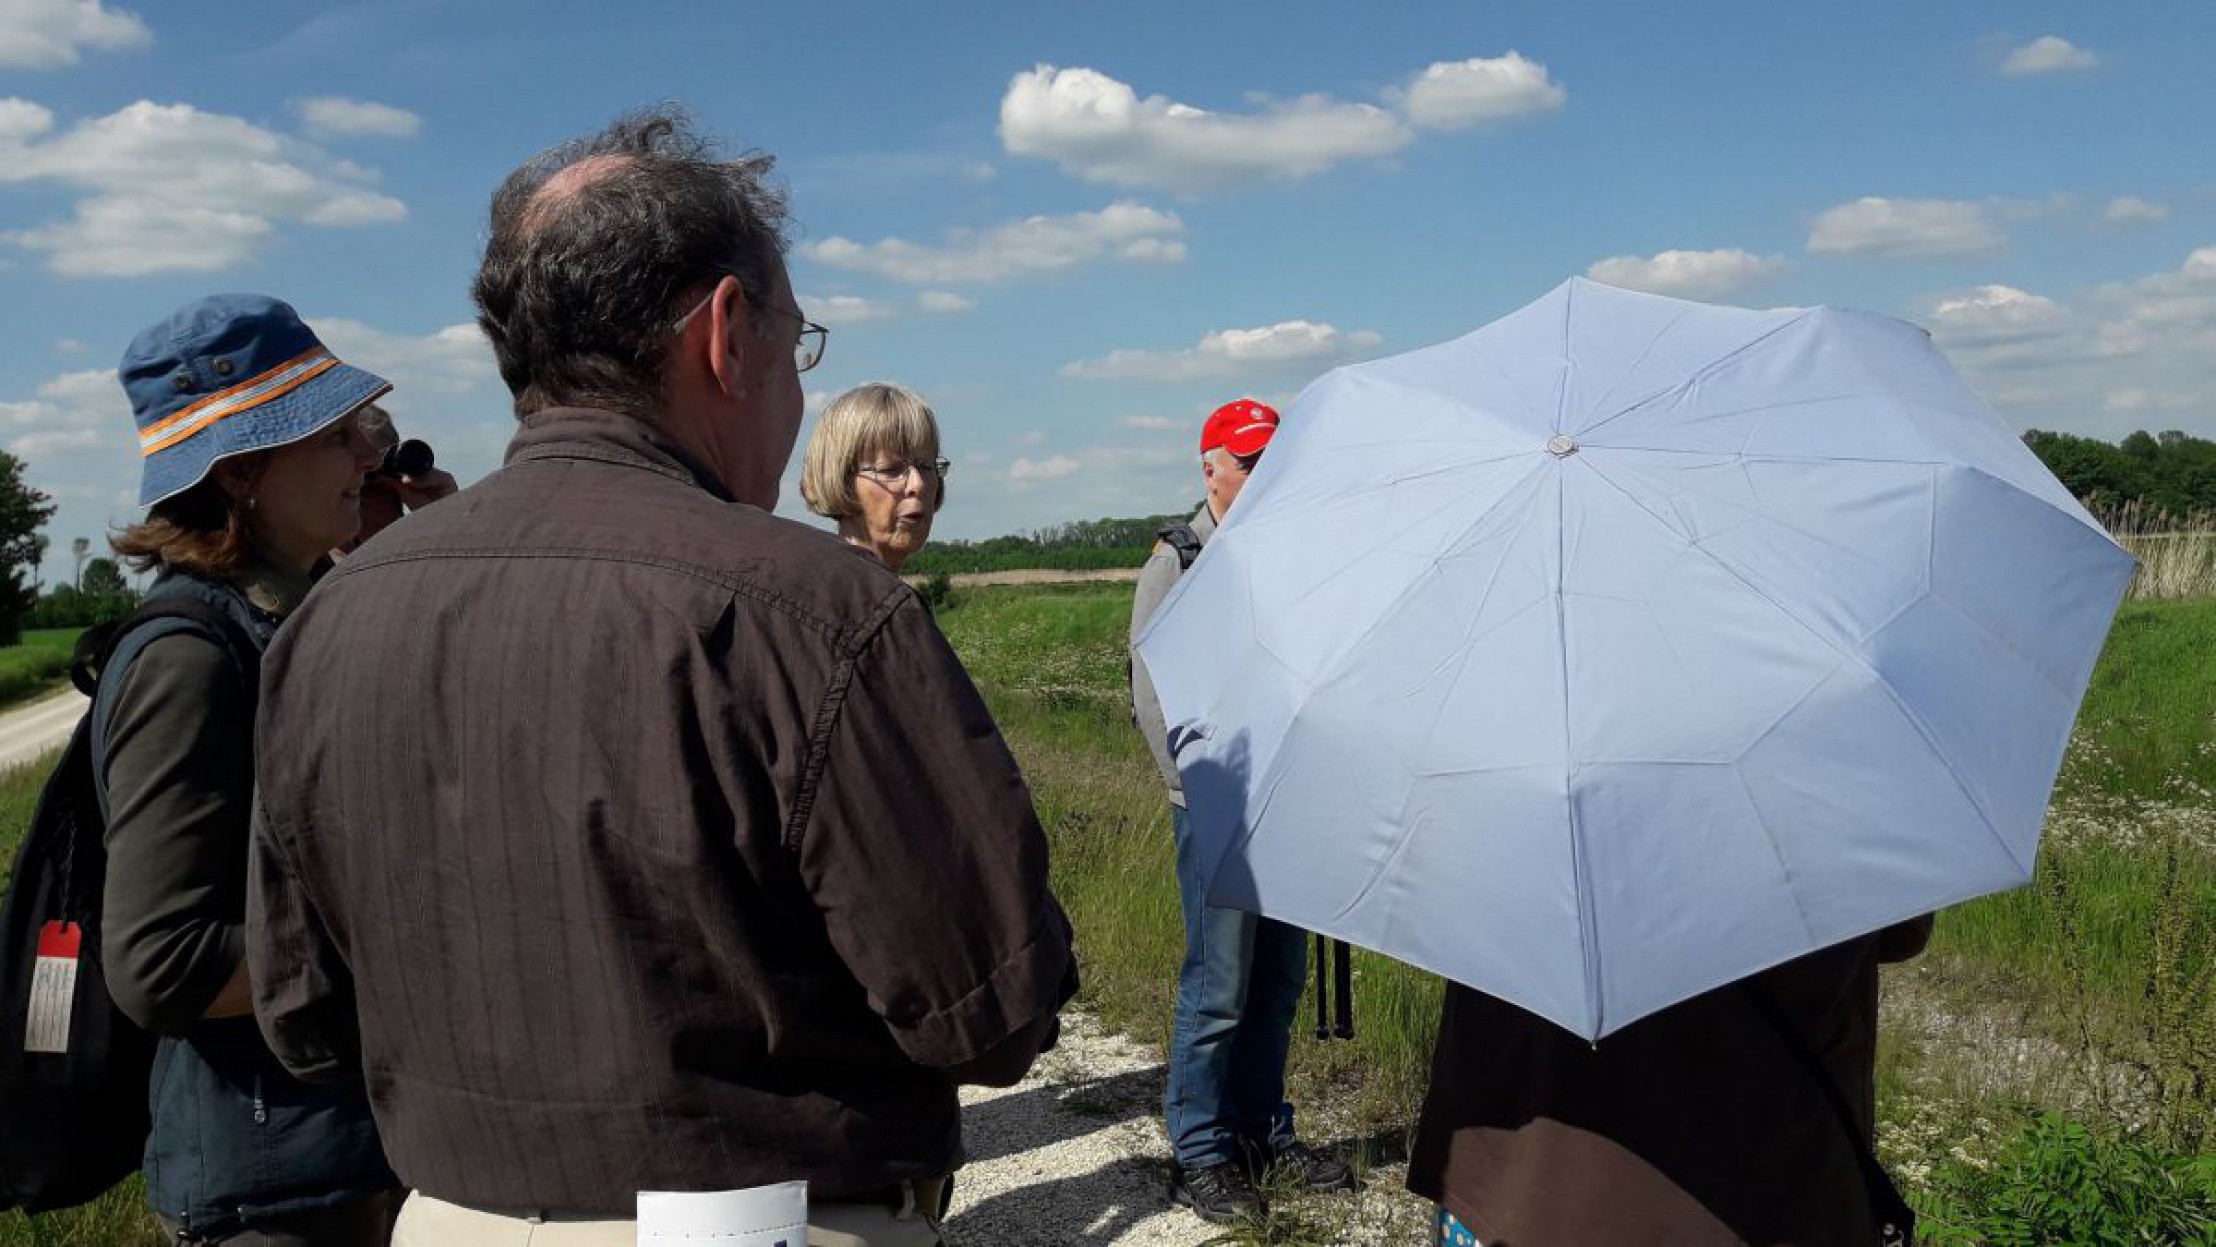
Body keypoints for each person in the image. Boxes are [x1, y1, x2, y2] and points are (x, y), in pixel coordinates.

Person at [244, 110, 1076, 1247]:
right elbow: (992, 1015)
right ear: (727, 334)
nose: (792, 385)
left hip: (446, 1215)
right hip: (768, 1218)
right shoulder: (812, 608)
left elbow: (304, 1017)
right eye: (798, 343)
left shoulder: (329, 618)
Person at [101, 294, 399, 1243]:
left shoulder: (292, 614)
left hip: (336, 1160)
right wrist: (404, 944)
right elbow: (161, 965)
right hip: (275, 1198)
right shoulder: (190, 658)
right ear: (241, 475)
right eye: (334, 432)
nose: (368, 453)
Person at [1128, 398, 1354, 1224]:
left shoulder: (1284, 547)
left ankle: (1263, 1130)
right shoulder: (1180, 556)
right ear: (1210, 466)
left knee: (1280, 978)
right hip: (1216, 805)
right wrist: (1196, 792)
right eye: (1248, 461)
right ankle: (1201, 1150)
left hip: (1286, 797)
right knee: (1220, 981)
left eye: (1271, 461)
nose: (1261, 476)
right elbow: (1148, 690)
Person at [1410, 917, 1935, 1245]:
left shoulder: (1494, 744)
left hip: (1513, 1177)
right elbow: (1901, 922)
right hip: (1763, 1190)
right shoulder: (1821, 751)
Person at [800, 383, 949, 573]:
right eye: (890, 470)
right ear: (841, 479)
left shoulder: (888, 595)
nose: (918, 484)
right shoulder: (833, 595)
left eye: (926, 466)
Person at [336, 403, 458, 555]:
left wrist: (447, 520)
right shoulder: (313, 568)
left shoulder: (413, 552)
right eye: (366, 475)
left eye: (387, 468)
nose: (383, 486)